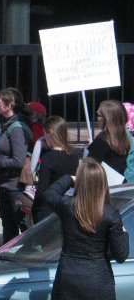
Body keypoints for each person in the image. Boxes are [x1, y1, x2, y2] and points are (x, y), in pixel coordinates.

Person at [44, 158, 129, 300]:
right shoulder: (110, 213)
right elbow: (121, 255)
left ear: (80, 183)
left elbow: (50, 194)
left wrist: (70, 178)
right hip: (98, 280)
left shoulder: (67, 206)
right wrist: (123, 234)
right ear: (103, 184)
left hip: (68, 277)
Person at [0, 87, 32, 244]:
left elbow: (18, 161)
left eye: (0, 101)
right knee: (8, 225)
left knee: (20, 224)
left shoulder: (17, 128)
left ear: (9, 105)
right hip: (5, 182)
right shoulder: (8, 125)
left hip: (14, 186)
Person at [31, 116, 79, 223]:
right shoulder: (74, 156)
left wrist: (34, 210)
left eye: (44, 134)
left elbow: (42, 190)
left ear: (50, 133)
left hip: (48, 209)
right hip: (66, 205)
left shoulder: (48, 158)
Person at [87, 99, 130, 176]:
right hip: (119, 183)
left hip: (102, 184)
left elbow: (88, 167)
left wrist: (94, 147)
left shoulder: (101, 140)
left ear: (107, 119)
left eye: (98, 115)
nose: (97, 118)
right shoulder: (125, 137)